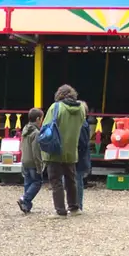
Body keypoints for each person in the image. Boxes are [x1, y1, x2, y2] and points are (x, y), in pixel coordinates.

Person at [40, 85, 86, 217]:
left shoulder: (56, 107)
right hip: (72, 151)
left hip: (55, 150)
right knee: (71, 180)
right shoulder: (81, 109)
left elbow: (46, 126)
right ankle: (74, 208)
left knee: (56, 181)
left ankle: (60, 210)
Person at [18, 107, 46, 214]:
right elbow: (36, 151)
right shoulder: (36, 133)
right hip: (33, 162)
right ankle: (24, 199)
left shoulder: (25, 130)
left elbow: (21, 147)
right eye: (41, 119)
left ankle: (26, 206)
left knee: (28, 183)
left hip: (25, 160)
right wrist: (40, 166)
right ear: (38, 119)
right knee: (37, 182)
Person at [75, 113, 95, 212]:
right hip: (79, 156)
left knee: (77, 180)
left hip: (79, 157)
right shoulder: (83, 124)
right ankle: (76, 204)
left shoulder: (82, 125)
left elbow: (81, 143)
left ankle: (78, 205)